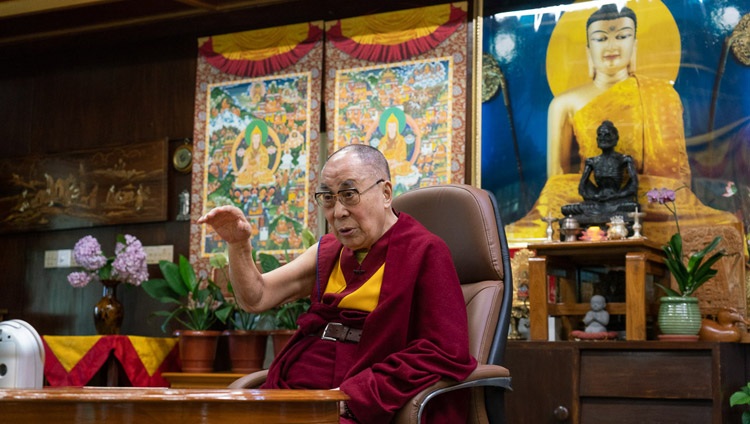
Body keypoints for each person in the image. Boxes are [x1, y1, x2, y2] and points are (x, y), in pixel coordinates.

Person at [198, 144, 476, 423]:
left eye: (349, 195)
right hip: (298, 389)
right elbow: (256, 298)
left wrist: (353, 396)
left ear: (386, 193)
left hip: (361, 398)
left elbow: (443, 351)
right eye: (328, 199)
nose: (338, 211)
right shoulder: (329, 250)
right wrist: (238, 245)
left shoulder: (425, 251)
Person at [506, 3, 739, 246]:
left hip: (650, 199)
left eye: (622, 36)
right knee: (517, 231)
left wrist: (644, 190)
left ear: (634, 44)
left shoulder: (662, 95)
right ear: (588, 48)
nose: (612, 46)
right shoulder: (564, 103)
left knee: (725, 228)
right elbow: (556, 179)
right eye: (601, 38)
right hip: (591, 203)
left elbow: (677, 177)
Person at [561, 120, 638, 224]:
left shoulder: (624, 159)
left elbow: (633, 186)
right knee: (567, 209)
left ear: (616, 139)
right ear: (597, 139)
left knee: (634, 207)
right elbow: (582, 188)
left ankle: (602, 216)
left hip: (617, 201)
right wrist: (594, 197)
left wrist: (616, 196)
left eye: (607, 135)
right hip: (596, 202)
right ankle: (602, 215)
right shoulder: (592, 161)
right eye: (600, 135)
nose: (603, 138)